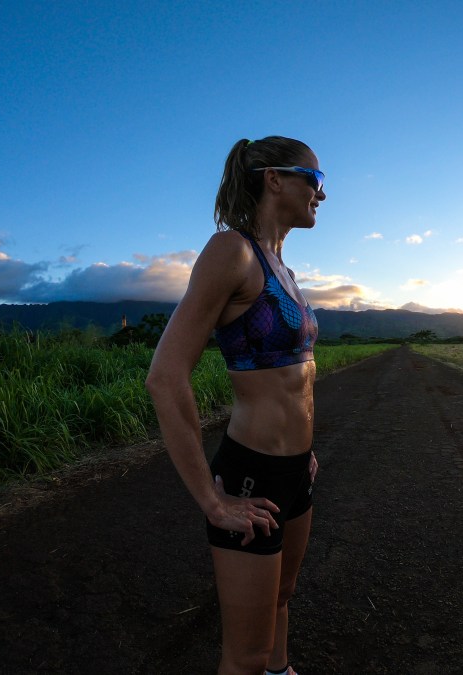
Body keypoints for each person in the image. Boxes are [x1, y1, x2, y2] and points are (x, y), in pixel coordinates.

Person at [146, 135, 325, 675]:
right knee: (244, 656)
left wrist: (304, 450)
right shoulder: (232, 251)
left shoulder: (282, 267)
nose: (322, 194)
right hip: (253, 474)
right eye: (315, 180)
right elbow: (165, 377)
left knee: (282, 596)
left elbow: (295, 381)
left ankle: (281, 670)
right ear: (274, 179)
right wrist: (212, 500)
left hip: (296, 469)